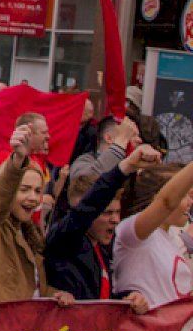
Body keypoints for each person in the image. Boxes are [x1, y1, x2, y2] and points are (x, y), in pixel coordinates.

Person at [0, 123, 74, 306]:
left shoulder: (30, 234)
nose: (33, 198)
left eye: (38, 191)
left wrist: (56, 295)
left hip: (27, 329)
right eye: (24, 189)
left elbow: (33, 288)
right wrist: (17, 161)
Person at [44, 146, 158, 313]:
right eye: (107, 213)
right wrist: (125, 167)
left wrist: (128, 299)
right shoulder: (64, 239)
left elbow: (98, 302)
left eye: (118, 212)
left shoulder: (100, 250)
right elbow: (89, 206)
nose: (116, 220)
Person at [113, 160, 193, 310]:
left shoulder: (171, 239)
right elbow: (166, 202)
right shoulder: (132, 232)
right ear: (156, 197)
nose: (190, 203)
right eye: (184, 195)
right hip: (140, 330)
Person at [0, 112, 51, 182]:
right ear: (29, 132)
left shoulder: (37, 160)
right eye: (44, 132)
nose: (48, 136)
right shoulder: (2, 158)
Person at [125, 85, 168, 151]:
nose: (123, 105)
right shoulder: (149, 121)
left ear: (135, 106)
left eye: (126, 102)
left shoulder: (147, 123)